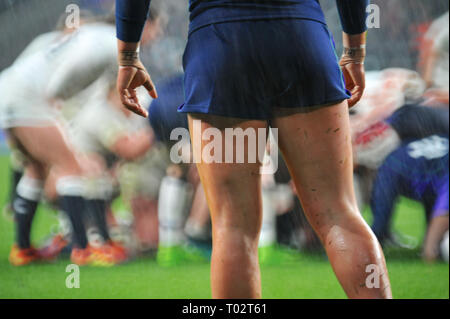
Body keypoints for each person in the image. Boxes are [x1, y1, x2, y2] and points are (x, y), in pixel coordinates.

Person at [115, 0, 392, 299]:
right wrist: (355, 50)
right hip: (301, 35)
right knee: (339, 214)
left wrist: (128, 55)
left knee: (234, 229)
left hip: (220, 46)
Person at [370, 135, 449, 262]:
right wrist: (429, 253)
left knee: (433, 204)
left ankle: (433, 248)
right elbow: (443, 213)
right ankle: (364, 258)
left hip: (419, 169)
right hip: (393, 168)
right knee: (379, 226)